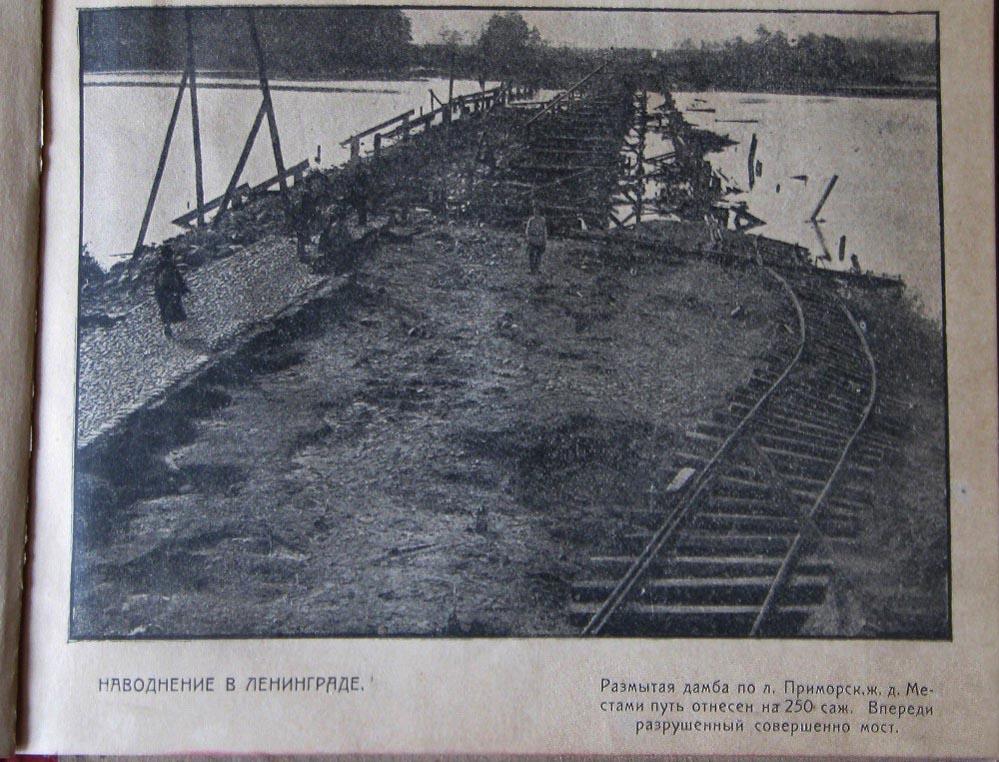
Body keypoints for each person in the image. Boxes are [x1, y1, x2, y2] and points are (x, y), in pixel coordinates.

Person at [153, 245, 189, 338]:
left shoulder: (159, 266)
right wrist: (183, 288)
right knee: (174, 308)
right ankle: (182, 330)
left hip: (162, 293)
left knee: (165, 310)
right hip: (171, 290)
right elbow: (178, 278)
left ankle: (168, 328)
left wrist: (157, 293)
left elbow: (156, 281)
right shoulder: (170, 266)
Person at [525, 201, 547, 275]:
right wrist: (528, 238)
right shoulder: (531, 220)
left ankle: (537, 269)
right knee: (531, 255)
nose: (536, 212)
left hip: (539, 239)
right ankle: (532, 269)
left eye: (537, 210)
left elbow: (544, 231)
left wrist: (544, 240)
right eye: (534, 210)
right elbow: (527, 230)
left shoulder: (542, 220)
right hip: (532, 239)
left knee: (538, 255)